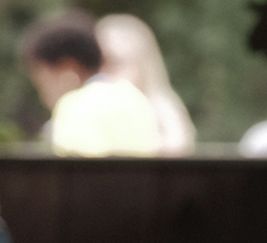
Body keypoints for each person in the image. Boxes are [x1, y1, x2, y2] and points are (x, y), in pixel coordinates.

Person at [19, 15, 159, 155]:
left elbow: (77, 172)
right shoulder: (134, 97)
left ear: (68, 70)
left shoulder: (73, 107)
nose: (42, 96)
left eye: (41, 82)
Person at [95, 14, 197, 154]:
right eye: (97, 63)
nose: (105, 72)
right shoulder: (78, 110)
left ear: (143, 65)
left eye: (116, 62)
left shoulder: (164, 113)